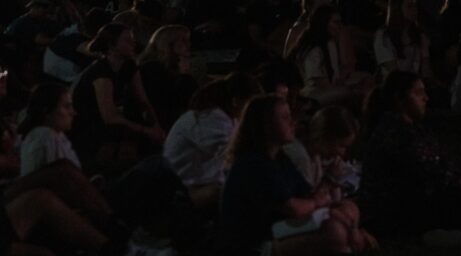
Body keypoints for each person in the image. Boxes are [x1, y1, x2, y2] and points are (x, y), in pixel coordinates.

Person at [359, 71, 461, 244]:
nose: (426, 98)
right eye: (419, 93)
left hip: (418, 200)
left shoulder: (416, 129)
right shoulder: (394, 132)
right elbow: (435, 175)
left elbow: (449, 167)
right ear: (400, 98)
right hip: (396, 209)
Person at [220, 93, 369, 254]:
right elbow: (294, 208)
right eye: (285, 117)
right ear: (266, 125)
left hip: (278, 228)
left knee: (347, 208)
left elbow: (308, 195)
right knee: (334, 231)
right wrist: (323, 204)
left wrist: (331, 205)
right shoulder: (253, 163)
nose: (292, 122)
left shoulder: (280, 158)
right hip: (255, 241)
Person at [71, 22, 164, 169]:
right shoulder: (101, 72)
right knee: (125, 133)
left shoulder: (128, 66)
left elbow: (143, 100)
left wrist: (156, 125)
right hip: (87, 122)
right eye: (127, 40)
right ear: (112, 45)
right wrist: (146, 130)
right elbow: (109, 116)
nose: (133, 43)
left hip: (105, 119)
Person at [164, 72, 260, 209]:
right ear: (236, 101)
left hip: (196, 182)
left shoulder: (229, 118)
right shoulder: (210, 119)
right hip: (180, 188)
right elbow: (235, 154)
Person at [374, 0, 431, 79]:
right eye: (409, 6)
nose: (415, 9)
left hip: (414, 83)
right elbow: (392, 71)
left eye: (415, 6)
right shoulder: (384, 35)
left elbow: (425, 65)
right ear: (397, 9)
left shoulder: (418, 34)